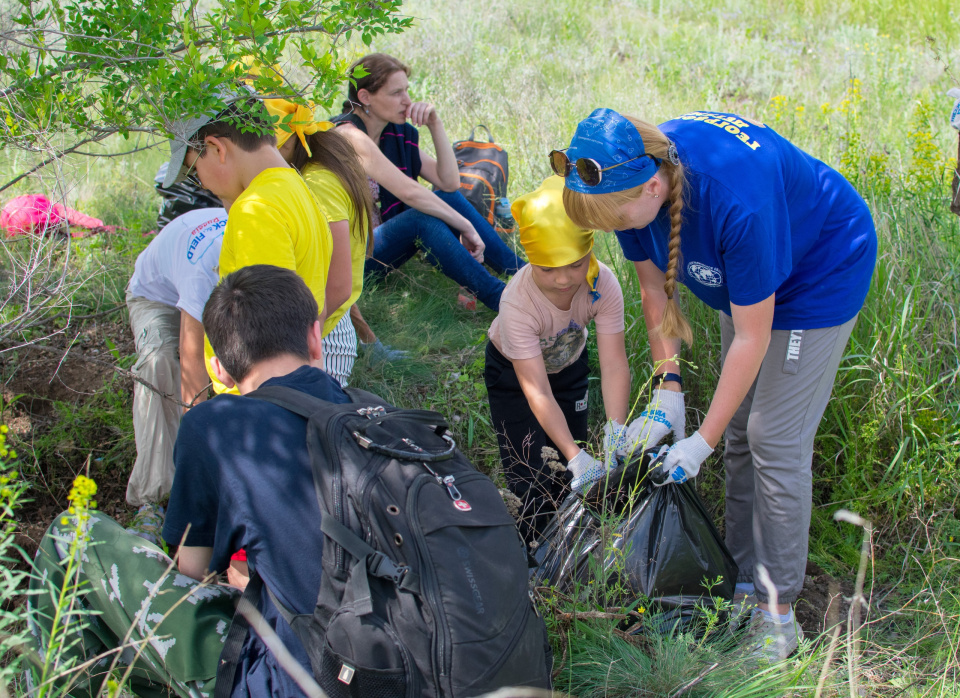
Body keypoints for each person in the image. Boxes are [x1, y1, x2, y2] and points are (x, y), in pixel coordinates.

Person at [558, 108, 877, 659]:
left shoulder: (735, 202)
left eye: (618, 222)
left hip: (819, 269)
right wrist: (668, 392)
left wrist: (697, 443)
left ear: (654, 186)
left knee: (773, 438)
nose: (616, 233)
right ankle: (738, 580)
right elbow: (655, 294)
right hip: (749, 279)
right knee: (736, 434)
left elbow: (753, 338)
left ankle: (778, 616)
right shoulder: (636, 189)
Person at [27, 265, 345, 697]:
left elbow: (191, 570)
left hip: (300, 678)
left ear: (221, 369)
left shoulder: (213, 426)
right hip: (420, 667)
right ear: (314, 337)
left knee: (75, 538)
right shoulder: (383, 419)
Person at [485, 176, 630, 545]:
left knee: (569, 471)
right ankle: (531, 550)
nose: (564, 279)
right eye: (548, 268)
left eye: (575, 264)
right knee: (530, 468)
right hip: (514, 377)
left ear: (589, 252)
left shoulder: (603, 285)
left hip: (569, 367)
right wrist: (573, 455)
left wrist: (616, 428)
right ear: (530, 257)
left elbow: (614, 363)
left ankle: (571, 545)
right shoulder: (518, 304)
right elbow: (537, 392)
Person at [162, 89, 335, 393]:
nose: (200, 183)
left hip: (260, 402)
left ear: (216, 148)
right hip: (295, 388)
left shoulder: (256, 211)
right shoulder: (298, 189)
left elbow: (267, 343)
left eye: (193, 170)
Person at [331, 53, 525, 312]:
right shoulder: (347, 135)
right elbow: (410, 193)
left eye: (407, 91)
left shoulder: (391, 133)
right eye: (396, 93)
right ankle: (507, 302)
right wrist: (465, 226)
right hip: (347, 262)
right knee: (420, 217)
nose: (407, 101)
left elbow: (449, 184)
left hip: (381, 243)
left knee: (447, 200)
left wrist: (435, 124)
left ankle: (523, 272)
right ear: (365, 97)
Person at [266, 98, 404, 384]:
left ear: (285, 143)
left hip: (322, 337)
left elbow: (339, 285)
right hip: (322, 326)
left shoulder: (316, 182)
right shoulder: (314, 171)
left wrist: (300, 344)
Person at [123, 207, 226, 542]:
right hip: (158, 298)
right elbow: (192, 371)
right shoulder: (203, 272)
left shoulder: (262, 243)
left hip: (218, 293)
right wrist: (200, 461)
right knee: (159, 363)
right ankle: (152, 500)